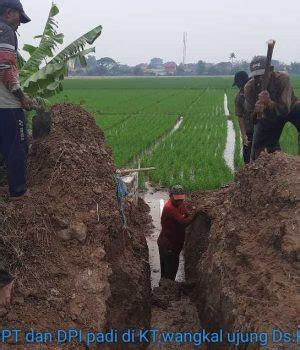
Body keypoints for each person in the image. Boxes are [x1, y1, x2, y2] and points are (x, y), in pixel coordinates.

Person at [0, 0, 36, 198]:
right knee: (17, 147)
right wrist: (22, 98)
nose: (19, 23)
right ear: (9, 13)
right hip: (7, 106)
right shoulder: (5, 31)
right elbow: (5, 69)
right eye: (19, 18)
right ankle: (19, 193)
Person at [244, 56, 300, 160]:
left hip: (290, 108)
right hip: (268, 115)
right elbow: (252, 120)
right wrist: (256, 112)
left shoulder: (283, 79)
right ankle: (262, 169)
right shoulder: (249, 88)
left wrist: (269, 102)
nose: (259, 79)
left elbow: (285, 110)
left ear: (271, 70)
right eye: (256, 76)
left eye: (262, 75)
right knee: (258, 146)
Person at [157, 185, 197, 281]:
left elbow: (186, 214)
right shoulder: (169, 208)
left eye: (181, 199)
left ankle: (166, 288)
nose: (179, 201)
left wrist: (190, 214)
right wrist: (196, 214)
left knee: (172, 268)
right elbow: (183, 223)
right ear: (171, 196)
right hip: (168, 245)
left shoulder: (180, 204)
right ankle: (166, 290)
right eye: (177, 199)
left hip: (174, 243)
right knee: (169, 271)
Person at [233, 71, 253, 163]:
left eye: (241, 85)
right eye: (238, 86)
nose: (240, 88)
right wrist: (244, 135)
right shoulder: (239, 97)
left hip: (263, 128)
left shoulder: (257, 92)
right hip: (249, 130)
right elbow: (240, 117)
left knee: (266, 156)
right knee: (247, 157)